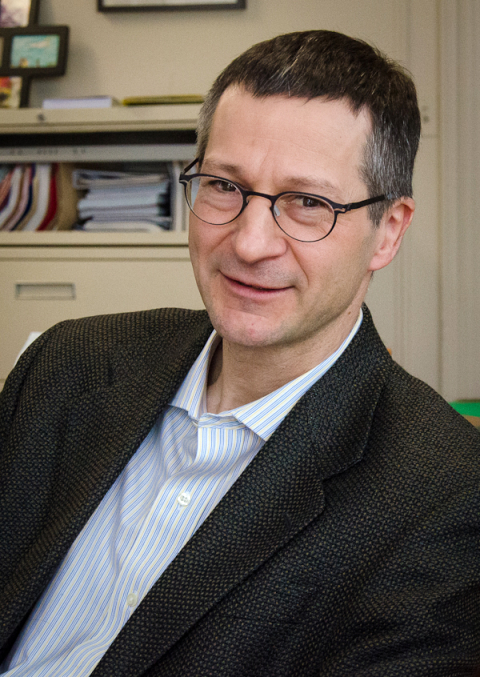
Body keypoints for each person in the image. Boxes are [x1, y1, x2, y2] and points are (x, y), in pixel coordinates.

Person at [1, 30, 479, 677]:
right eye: (225, 185)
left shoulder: (445, 495)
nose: (251, 242)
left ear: (387, 230)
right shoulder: (67, 361)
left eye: (308, 203)